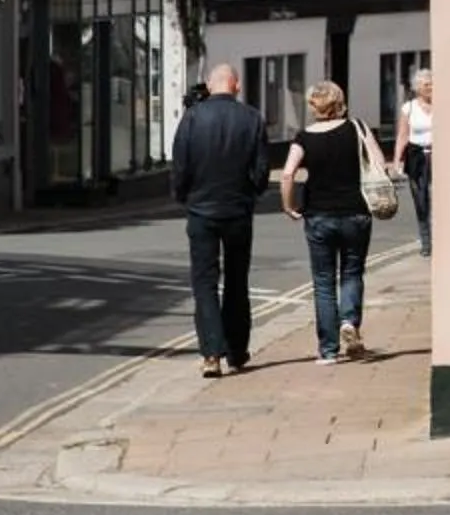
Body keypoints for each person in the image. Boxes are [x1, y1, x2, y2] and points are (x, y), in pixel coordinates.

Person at [167, 63, 268, 376]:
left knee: (205, 282)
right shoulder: (252, 118)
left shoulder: (192, 118)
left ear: (210, 86)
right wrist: (251, 193)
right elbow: (261, 171)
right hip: (238, 211)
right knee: (237, 281)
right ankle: (237, 351)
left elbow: (180, 164)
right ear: (236, 85)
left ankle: (211, 354)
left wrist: (183, 196)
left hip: (201, 211)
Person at [282, 81, 375, 363]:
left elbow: (287, 174)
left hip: (319, 215)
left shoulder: (304, 137)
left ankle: (329, 350)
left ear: (313, 106)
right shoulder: (357, 128)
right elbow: (378, 161)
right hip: (356, 211)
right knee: (352, 272)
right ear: (339, 102)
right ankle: (349, 321)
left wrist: (288, 205)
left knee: (323, 281)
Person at [391, 69, 434, 257]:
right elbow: (402, 136)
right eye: (426, 85)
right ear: (417, 88)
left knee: (440, 200)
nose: (431, 87)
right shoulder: (408, 108)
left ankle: (441, 238)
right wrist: (396, 161)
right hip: (416, 157)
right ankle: (426, 243)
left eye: (432, 84)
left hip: (438, 156)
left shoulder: (443, 104)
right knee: (421, 201)